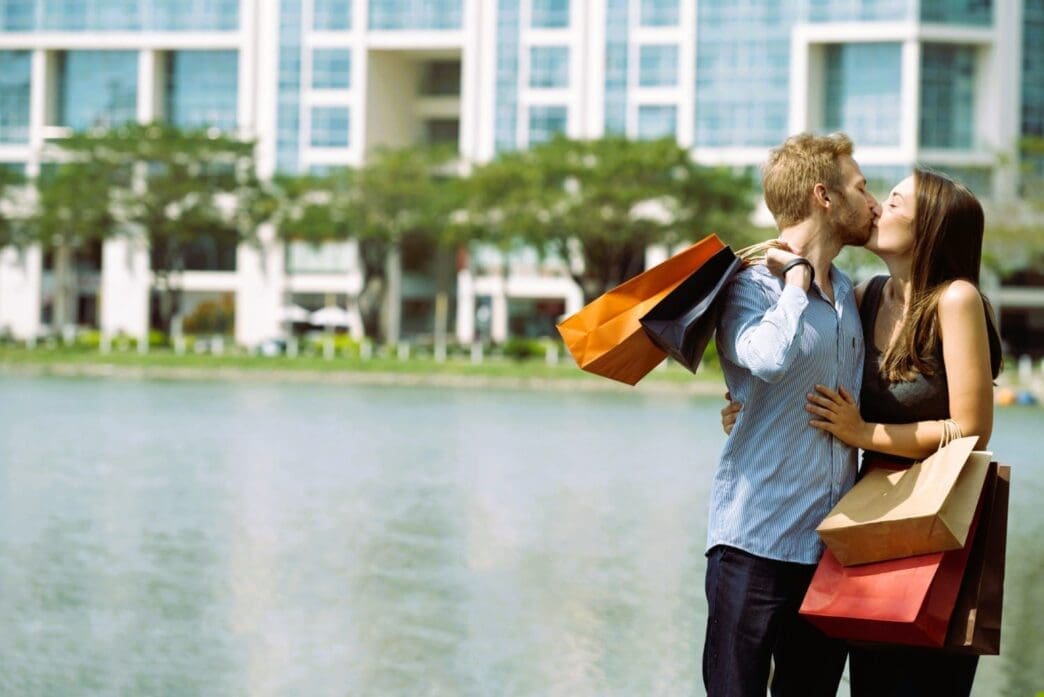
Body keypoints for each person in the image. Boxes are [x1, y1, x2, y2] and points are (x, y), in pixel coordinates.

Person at [722, 168, 1002, 697]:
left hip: (935, 523)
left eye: (894, 203)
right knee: (868, 680)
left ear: (930, 229)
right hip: (868, 527)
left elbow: (971, 429)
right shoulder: (867, 295)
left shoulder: (956, 300)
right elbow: (813, 372)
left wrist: (862, 432)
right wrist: (750, 411)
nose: (876, 208)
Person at [703, 131, 880, 697]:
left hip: (826, 550)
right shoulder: (747, 286)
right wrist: (797, 279)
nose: (872, 202)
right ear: (824, 197)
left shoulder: (849, 293)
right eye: (861, 187)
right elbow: (769, 358)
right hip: (754, 544)